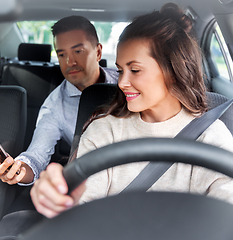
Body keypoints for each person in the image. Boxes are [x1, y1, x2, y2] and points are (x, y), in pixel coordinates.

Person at [30, 3, 233, 219]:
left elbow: (224, 215)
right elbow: (83, 210)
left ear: (173, 70)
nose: (122, 82)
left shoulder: (211, 136)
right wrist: (60, 200)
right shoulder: (103, 131)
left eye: (135, 70)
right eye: (120, 70)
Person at [0, 16, 118, 185]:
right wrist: (18, 171)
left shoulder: (126, 83)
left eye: (78, 51)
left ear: (98, 52)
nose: (69, 62)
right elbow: (36, 156)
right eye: (61, 54)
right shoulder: (55, 104)